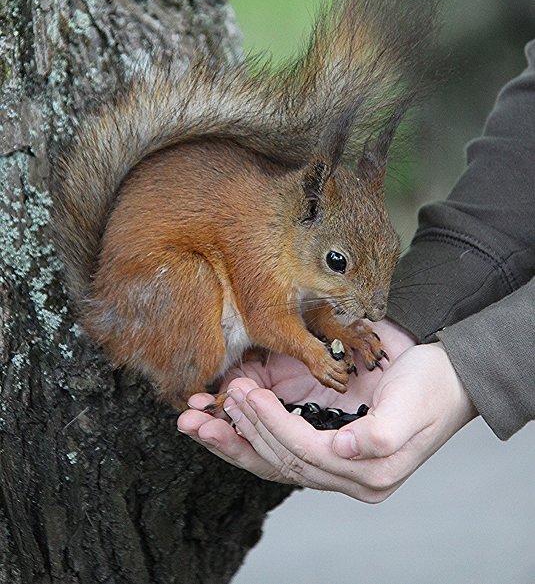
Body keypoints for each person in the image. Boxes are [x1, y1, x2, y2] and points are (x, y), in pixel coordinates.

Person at [177, 40, 535, 502]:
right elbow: (270, 316)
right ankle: (183, 393)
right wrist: (404, 329)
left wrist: (464, 370)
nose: (376, 305)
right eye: (340, 264)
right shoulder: (273, 248)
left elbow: (307, 307)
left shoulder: (302, 251)